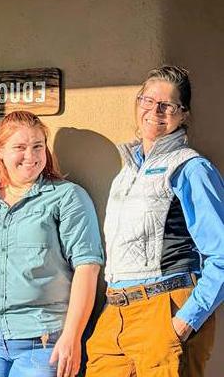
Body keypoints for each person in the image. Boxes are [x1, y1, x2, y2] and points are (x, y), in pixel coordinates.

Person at [86, 65, 223, 377]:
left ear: (183, 114)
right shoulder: (126, 173)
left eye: (167, 105)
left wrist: (184, 321)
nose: (154, 111)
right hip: (115, 316)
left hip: (165, 309)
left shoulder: (191, 169)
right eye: (147, 101)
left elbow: (222, 253)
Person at [0, 111, 104, 377]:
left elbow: (87, 267)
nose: (31, 156)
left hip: (43, 341)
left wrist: (72, 336)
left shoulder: (67, 197)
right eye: (20, 147)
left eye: (38, 146)